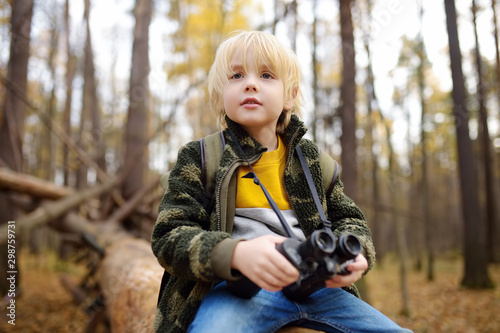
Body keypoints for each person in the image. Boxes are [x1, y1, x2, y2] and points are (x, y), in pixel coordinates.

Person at [151, 30, 411, 333]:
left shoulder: (312, 161)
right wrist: (236, 254)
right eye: (236, 76)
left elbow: (350, 218)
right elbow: (169, 236)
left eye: (265, 75)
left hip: (318, 289)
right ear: (220, 95)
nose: (250, 83)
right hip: (238, 292)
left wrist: (357, 253)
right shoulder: (202, 157)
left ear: (291, 96)